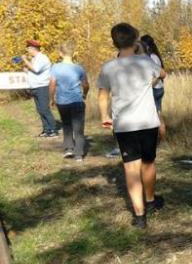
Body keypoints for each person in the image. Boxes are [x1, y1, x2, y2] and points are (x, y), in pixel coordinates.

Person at [97, 23, 165, 228]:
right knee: (148, 163)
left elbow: (102, 96)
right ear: (135, 40)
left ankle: (139, 216)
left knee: (131, 169)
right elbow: (163, 74)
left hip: (124, 125)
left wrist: (104, 116)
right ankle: (151, 200)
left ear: (114, 42)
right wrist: (151, 77)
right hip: (148, 122)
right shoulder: (145, 61)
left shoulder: (108, 67)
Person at [48, 41, 89, 161]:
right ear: (73, 54)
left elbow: (52, 85)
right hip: (77, 101)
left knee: (66, 125)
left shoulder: (55, 67)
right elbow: (86, 85)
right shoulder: (79, 68)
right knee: (79, 128)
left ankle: (69, 149)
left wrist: (51, 99)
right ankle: (79, 154)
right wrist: (84, 95)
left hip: (62, 101)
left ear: (61, 53)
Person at [20, 39, 57, 137]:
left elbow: (36, 69)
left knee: (45, 109)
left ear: (33, 48)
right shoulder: (34, 58)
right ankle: (46, 130)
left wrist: (25, 60)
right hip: (35, 86)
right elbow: (34, 71)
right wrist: (27, 70)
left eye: (28, 49)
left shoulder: (42, 58)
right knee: (40, 110)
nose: (27, 51)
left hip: (42, 87)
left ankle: (53, 129)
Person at [140, 34, 167, 139]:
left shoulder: (152, 57)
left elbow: (158, 75)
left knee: (157, 117)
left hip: (155, 90)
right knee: (157, 115)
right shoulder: (152, 56)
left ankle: (160, 141)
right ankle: (160, 141)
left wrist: (147, 86)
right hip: (157, 89)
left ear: (146, 45)